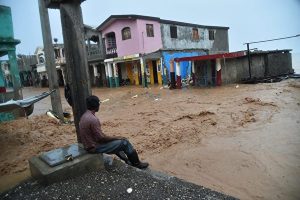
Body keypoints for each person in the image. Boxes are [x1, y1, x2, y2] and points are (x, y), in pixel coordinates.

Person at [79, 95, 149, 169]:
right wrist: (117, 137)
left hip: (88, 145)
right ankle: (137, 164)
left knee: (115, 142)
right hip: (95, 148)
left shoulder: (84, 116)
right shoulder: (93, 119)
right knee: (124, 142)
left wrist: (114, 139)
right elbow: (101, 138)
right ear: (97, 105)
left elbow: (97, 136)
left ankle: (127, 160)